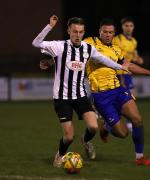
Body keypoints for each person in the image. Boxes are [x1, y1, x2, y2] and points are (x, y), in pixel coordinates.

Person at [32, 15, 128, 168]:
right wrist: (49, 26)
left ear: (84, 32)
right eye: (75, 31)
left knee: (93, 127)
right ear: (69, 31)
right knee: (69, 137)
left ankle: (86, 140)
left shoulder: (88, 48)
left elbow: (103, 59)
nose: (78, 35)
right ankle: (61, 154)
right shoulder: (59, 46)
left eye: (81, 32)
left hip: (80, 95)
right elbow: (36, 43)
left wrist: (119, 66)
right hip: (62, 98)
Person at [84, 18, 150, 165]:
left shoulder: (116, 49)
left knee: (137, 119)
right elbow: (72, 51)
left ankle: (140, 157)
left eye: (111, 32)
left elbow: (129, 65)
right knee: (123, 133)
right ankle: (106, 126)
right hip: (101, 96)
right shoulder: (90, 42)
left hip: (118, 90)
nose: (108, 35)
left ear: (114, 33)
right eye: (105, 32)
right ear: (99, 32)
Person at [113, 17, 144, 132]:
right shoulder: (117, 40)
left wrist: (138, 59)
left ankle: (123, 120)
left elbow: (135, 55)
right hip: (119, 72)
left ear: (133, 27)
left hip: (128, 73)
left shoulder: (134, 41)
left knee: (131, 96)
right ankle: (124, 121)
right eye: (126, 26)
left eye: (131, 26)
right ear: (122, 27)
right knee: (127, 96)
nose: (129, 28)